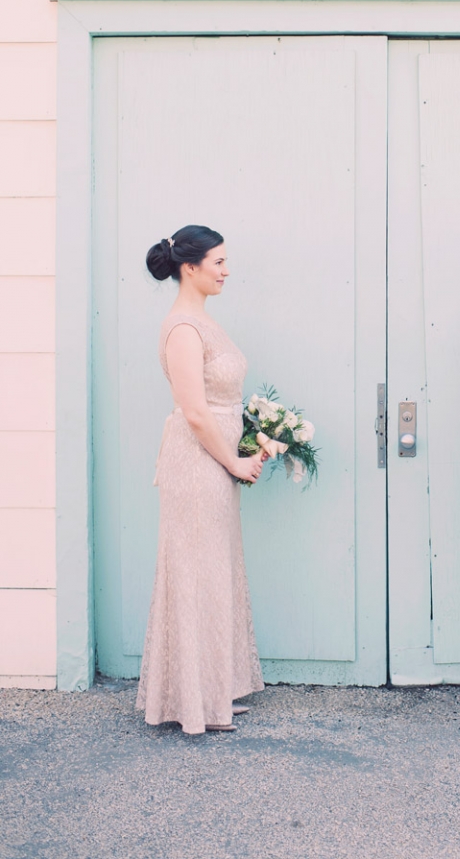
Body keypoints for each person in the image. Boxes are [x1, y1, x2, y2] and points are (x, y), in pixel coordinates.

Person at [136, 225, 265, 734]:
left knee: (214, 573)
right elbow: (194, 410)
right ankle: (193, 701)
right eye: (218, 262)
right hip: (197, 466)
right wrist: (234, 462)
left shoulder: (203, 321)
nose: (226, 270)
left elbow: (222, 401)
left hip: (216, 462)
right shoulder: (183, 328)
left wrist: (255, 440)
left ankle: (209, 691)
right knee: (196, 576)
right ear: (189, 267)